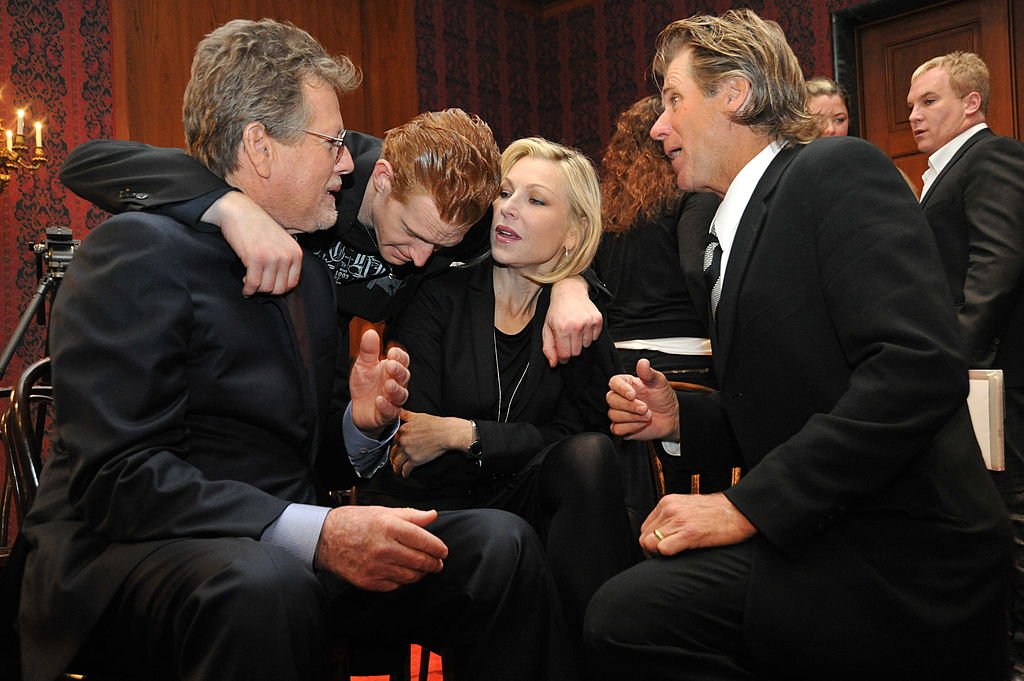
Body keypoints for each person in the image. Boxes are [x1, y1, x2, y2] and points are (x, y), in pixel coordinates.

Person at [17, 19, 574, 681]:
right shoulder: (134, 250)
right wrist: (315, 532)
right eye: (334, 143)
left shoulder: (311, 274)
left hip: (284, 548)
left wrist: (360, 424)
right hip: (135, 555)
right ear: (259, 145)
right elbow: (120, 482)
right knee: (263, 587)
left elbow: (313, 454)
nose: (349, 163)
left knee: (499, 546)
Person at [585, 9, 1012, 681]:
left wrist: (741, 505)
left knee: (629, 616)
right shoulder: (723, 233)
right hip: (827, 530)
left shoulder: (835, 170)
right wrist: (679, 417)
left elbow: (918, 370)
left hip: (903, 549)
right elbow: (793, 405)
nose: (658, 125)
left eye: (673, 99)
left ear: (736, 94)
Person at [358, 137, 639, 671]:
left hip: (527, 505)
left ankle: (602, 660)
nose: (508, 207)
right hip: (441, 507)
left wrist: (469, 434)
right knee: (517, 545)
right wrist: (474, 441)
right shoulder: (438, 294)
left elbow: (582, 440)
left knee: (588, 460)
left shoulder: (577, 320)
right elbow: (417, 438)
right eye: (505, 193)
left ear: (574, 232)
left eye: (536, 200)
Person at [59, 112, 602, 373]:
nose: (420, 260)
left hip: (338, 381)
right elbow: (89, 164)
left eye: (441, 247)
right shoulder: (317, 180)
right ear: (385, 179)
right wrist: (231, 206)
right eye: (412, 234)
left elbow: (552, 236)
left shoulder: (452, 218)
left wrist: (571, 286)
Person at [908, 50, 1024, 678]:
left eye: (929, 102)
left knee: (1008, 522)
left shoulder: (994, 157)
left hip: (996, 386)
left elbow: (994, 275)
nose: (915, 116)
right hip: (971, 383)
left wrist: (947, 368)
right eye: (910, 107)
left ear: (972, 102)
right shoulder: (942, 173)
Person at [595, 95, 731, 494]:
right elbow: (695, 267)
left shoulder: (605, 210)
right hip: (689, 365)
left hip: (618, 367)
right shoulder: (692, 193)